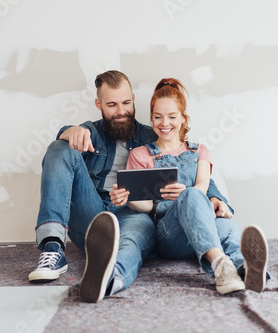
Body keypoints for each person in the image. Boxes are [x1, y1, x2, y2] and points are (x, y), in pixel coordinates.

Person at [28, 70, 234, 303]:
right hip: (93, 214)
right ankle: (53, 248)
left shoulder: (154, 135)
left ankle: (109, 279)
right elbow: (66, 140)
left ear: (134, 99)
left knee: (131, 242)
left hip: (135, 213)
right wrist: (68, 131)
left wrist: (217, 198)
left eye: (126, 102)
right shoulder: (91, 132)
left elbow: (191, 163)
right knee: (59, 147)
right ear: (99, 104)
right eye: (112, 104)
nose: (121, 111)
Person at [118, 78, 269, 294]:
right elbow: (144, 206)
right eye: (158, 117)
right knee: (190, 195)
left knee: (228, 227)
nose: (164, 123)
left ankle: (245, 268)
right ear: (151, 118)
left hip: (203, 226)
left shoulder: (199, 151)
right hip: (170, 234)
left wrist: (190, 196)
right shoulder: (140, 155)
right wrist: (132, 198)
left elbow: (202, 186)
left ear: (182, 118)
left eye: (172, 116)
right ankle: (220, 266)